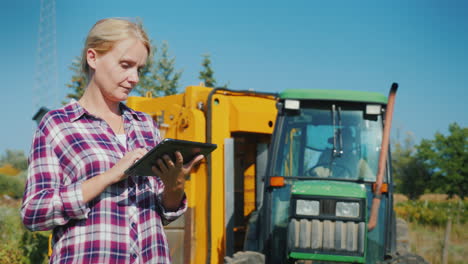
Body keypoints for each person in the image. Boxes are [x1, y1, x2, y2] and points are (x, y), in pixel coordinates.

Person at [21, 18, 203, 263]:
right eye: (125, 65)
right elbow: (34, 212)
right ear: (93, 58)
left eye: (139, 69)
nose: (135, 78)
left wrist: (175, 185)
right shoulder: (57, 125)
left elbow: (166, 211)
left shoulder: (146, 126)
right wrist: (110, 175)